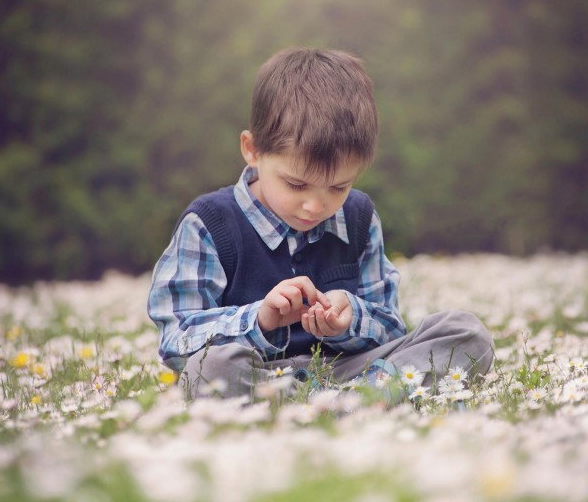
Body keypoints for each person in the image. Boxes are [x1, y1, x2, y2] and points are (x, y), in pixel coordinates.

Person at [147, 47, 494, 400]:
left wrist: (350, 318)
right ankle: (352, 405)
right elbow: (177, 340)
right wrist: (261, 319)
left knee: (465, 334)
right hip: (258, 377)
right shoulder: (209, 223)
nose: (316, 205)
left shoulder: (358, 217)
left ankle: (349, 402)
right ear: (252, 150)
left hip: (351, 371)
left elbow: (390, 327)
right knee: (207, 369)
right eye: (296, 185)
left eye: (339, 186)